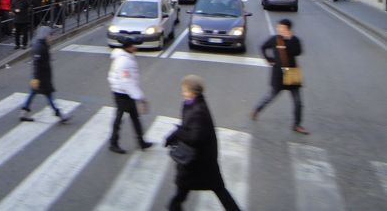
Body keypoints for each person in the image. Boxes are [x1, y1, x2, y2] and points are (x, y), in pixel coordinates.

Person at [164, 75, 241, 211]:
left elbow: (195, 138)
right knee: (189, 187)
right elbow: (187, 126)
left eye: (184, 90)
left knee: (196, 187)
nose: (182, 93)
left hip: (199, 160)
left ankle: (174, 207)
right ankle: (174, 206)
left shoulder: (198, 111)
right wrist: (174, 134)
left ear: (192, 92)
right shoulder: (191, 104)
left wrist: (178, 133)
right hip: (199, 159)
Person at [251, 18, 308, 134]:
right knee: (271, 96)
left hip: (292, 72)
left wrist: (290, 39)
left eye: (281, 27)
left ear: (287, 29)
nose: (278, 29)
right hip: (278, 74)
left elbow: (298, 52)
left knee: (298, 101)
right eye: (278, 27)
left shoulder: (294, 40)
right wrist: (269, 60)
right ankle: (257, 110)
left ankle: (297, 125)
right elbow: (263, 47)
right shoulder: (275, 39)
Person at [107, 37, 151, 154]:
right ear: (128, 47)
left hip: (126, 93)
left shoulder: (127, 57)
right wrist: (139, 96)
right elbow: (126, 81)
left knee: (134, 117)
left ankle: (141, 142)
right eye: (133, 46)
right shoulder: (123, 61)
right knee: (119, 119)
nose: (136, 47)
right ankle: (113, 143)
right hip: (122, 94)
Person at [19, 26, 68, 123]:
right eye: (50, 35)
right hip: (42, 77)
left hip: (42, 76)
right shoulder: (39, 47)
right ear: (45, 35)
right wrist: (36, 78)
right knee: (48, 96)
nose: (51, 37)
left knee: (33, 93)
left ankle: (24, 112)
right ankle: (59, 114)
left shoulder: (42, 45)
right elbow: (36, 64)